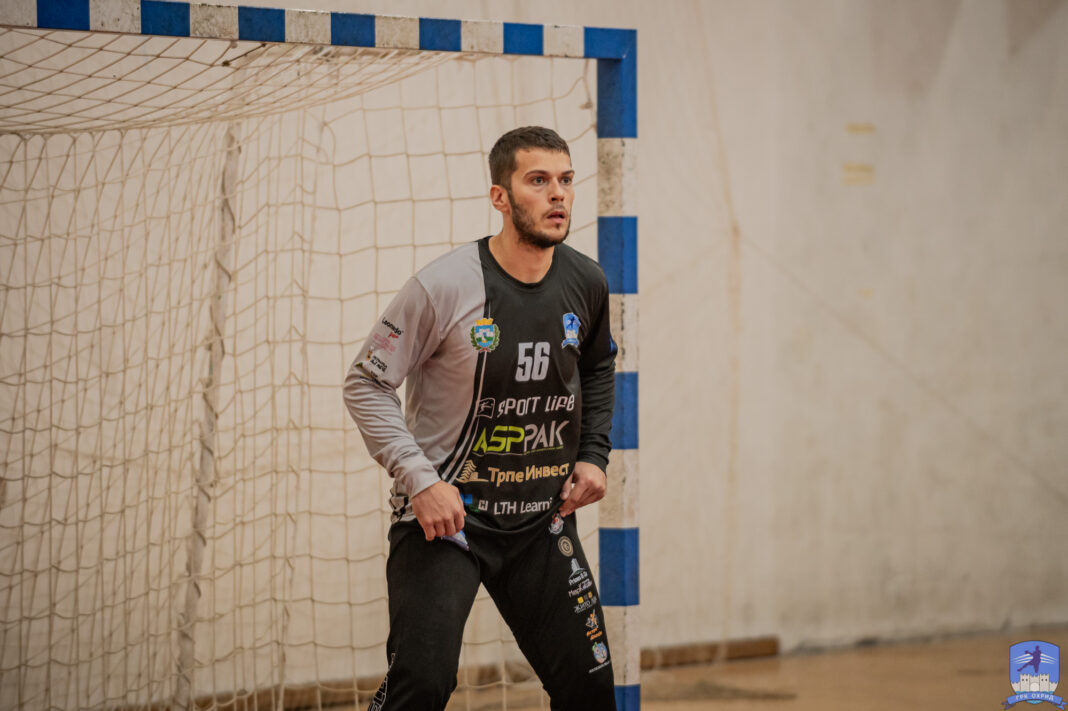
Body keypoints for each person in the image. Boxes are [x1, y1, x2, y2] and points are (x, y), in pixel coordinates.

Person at [344, 126, 618, 710]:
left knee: (590, 689)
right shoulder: (443, 285)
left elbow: (597, 368)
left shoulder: (587, 281)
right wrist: (421, 481)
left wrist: (594, 454)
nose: (558, 194)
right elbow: (366, 382)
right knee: (422, 684)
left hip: (542, 522)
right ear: (500, 197)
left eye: (566, 180)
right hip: (448, 524)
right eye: (538, 180)